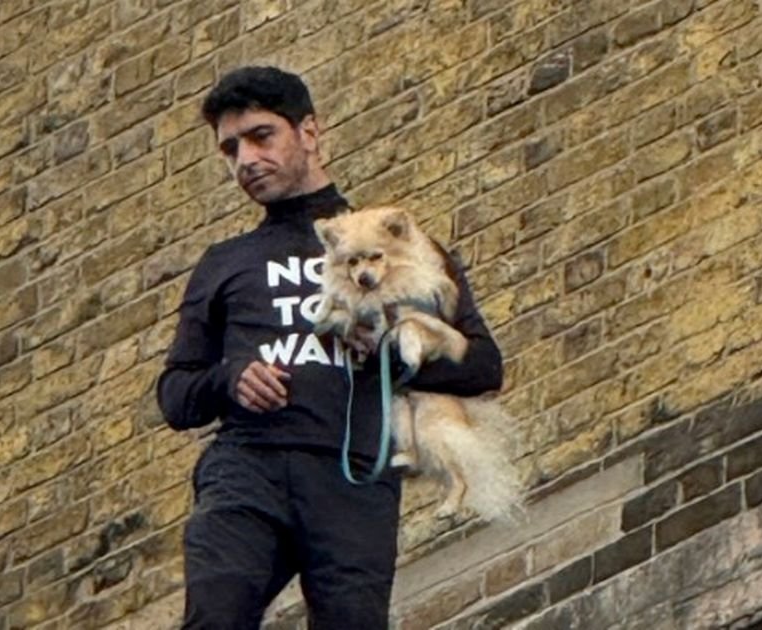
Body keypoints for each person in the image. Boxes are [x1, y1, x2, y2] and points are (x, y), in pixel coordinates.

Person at [156, 65, 504, 629]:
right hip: (248, 469)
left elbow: (485, 366)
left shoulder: (395, 243)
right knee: (215, 616)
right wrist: (232, 378)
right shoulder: (227, 262)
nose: (245, 160)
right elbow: (175, 395)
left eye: (261, 136)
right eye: (230, 148)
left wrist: (390, 354)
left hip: (354, 478)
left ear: (309, 133)